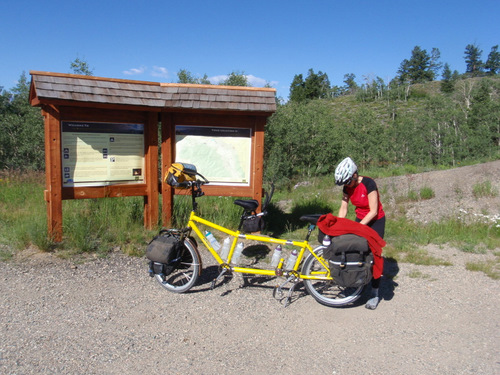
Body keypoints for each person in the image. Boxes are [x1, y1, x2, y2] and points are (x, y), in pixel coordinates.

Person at [334, 157, 386, 310]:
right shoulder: (347, 187)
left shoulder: (369, 183)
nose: (347, 185)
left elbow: (373, 210)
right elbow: (344, 208)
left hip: (375, 220)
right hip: (361, 218)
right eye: (345, 183)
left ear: (355, 174)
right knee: (354, 251)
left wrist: (358, 228)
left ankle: (375, 293)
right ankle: (354, 284)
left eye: (348, 181)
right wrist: (338, 225)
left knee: (374, 255)